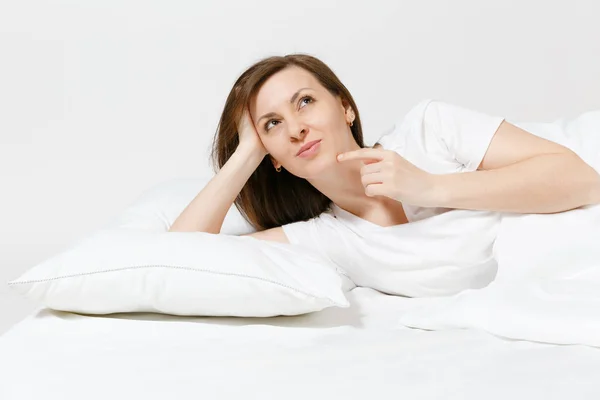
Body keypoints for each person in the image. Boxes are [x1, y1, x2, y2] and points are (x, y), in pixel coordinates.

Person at [169, 53, 600, 297]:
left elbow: (581, 178)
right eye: (272, 124)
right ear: (273, 158)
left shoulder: (429, 130)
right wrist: (246, 153)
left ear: (345, 107)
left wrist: (428, 187)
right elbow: (173, 259)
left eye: (304, 102)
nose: (296, 127)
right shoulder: (327, 239)